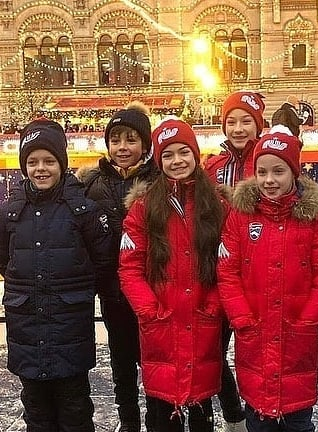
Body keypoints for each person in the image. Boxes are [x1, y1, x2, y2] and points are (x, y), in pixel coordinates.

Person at [216, 126, 318, 432]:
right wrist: (241, 317)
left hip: (297, 337)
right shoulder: (241, 215)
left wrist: (308, 321)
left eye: (278, 171)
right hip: (254, 335)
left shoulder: (312, 217)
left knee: (298, 419)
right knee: (258, 417)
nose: (269, 180)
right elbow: (227, 271)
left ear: (293, 173)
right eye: (262, 172)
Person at [0, 118, 114, 431]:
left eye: (49, 161)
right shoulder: (10, 213)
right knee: (36, 413)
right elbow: (5, 260)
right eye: (33, 162)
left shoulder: (83, 211)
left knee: (75, 411)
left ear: (62, 164)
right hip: (27, 331)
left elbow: (103, 262)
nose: (41, 168)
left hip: (70, 332)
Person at [118, 117, 224, 432]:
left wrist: (214, 304)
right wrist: (149, 310)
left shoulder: (217, 205)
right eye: (168, 155)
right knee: (162, 412)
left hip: (203, 321)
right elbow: (129, 266)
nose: (177, 161)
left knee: (202, 409)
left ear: (195, 154)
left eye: (183, 152)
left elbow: (229, 264)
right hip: (160, 324)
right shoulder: (144, 208)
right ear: (159, 160)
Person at [78, 101, 159, 432]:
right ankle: (128, 421)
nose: (122, 147)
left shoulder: (158, 180)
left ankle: (157, 419)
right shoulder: (92, 183)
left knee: (154, 362)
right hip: (112, 292)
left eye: (131, 139)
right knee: (121, 362)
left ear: (145, 144)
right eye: (115, 140)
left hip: (153, 290)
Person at [204, 90, 266, 432]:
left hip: (256, 275)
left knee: (256, 353)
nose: (238, 128)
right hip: (218, 274)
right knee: (211, 351)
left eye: (246, 121)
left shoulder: (268, 160)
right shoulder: (213, 166)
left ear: (258, 125)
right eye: (231, 121)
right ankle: (234, 416)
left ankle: (261, 415)